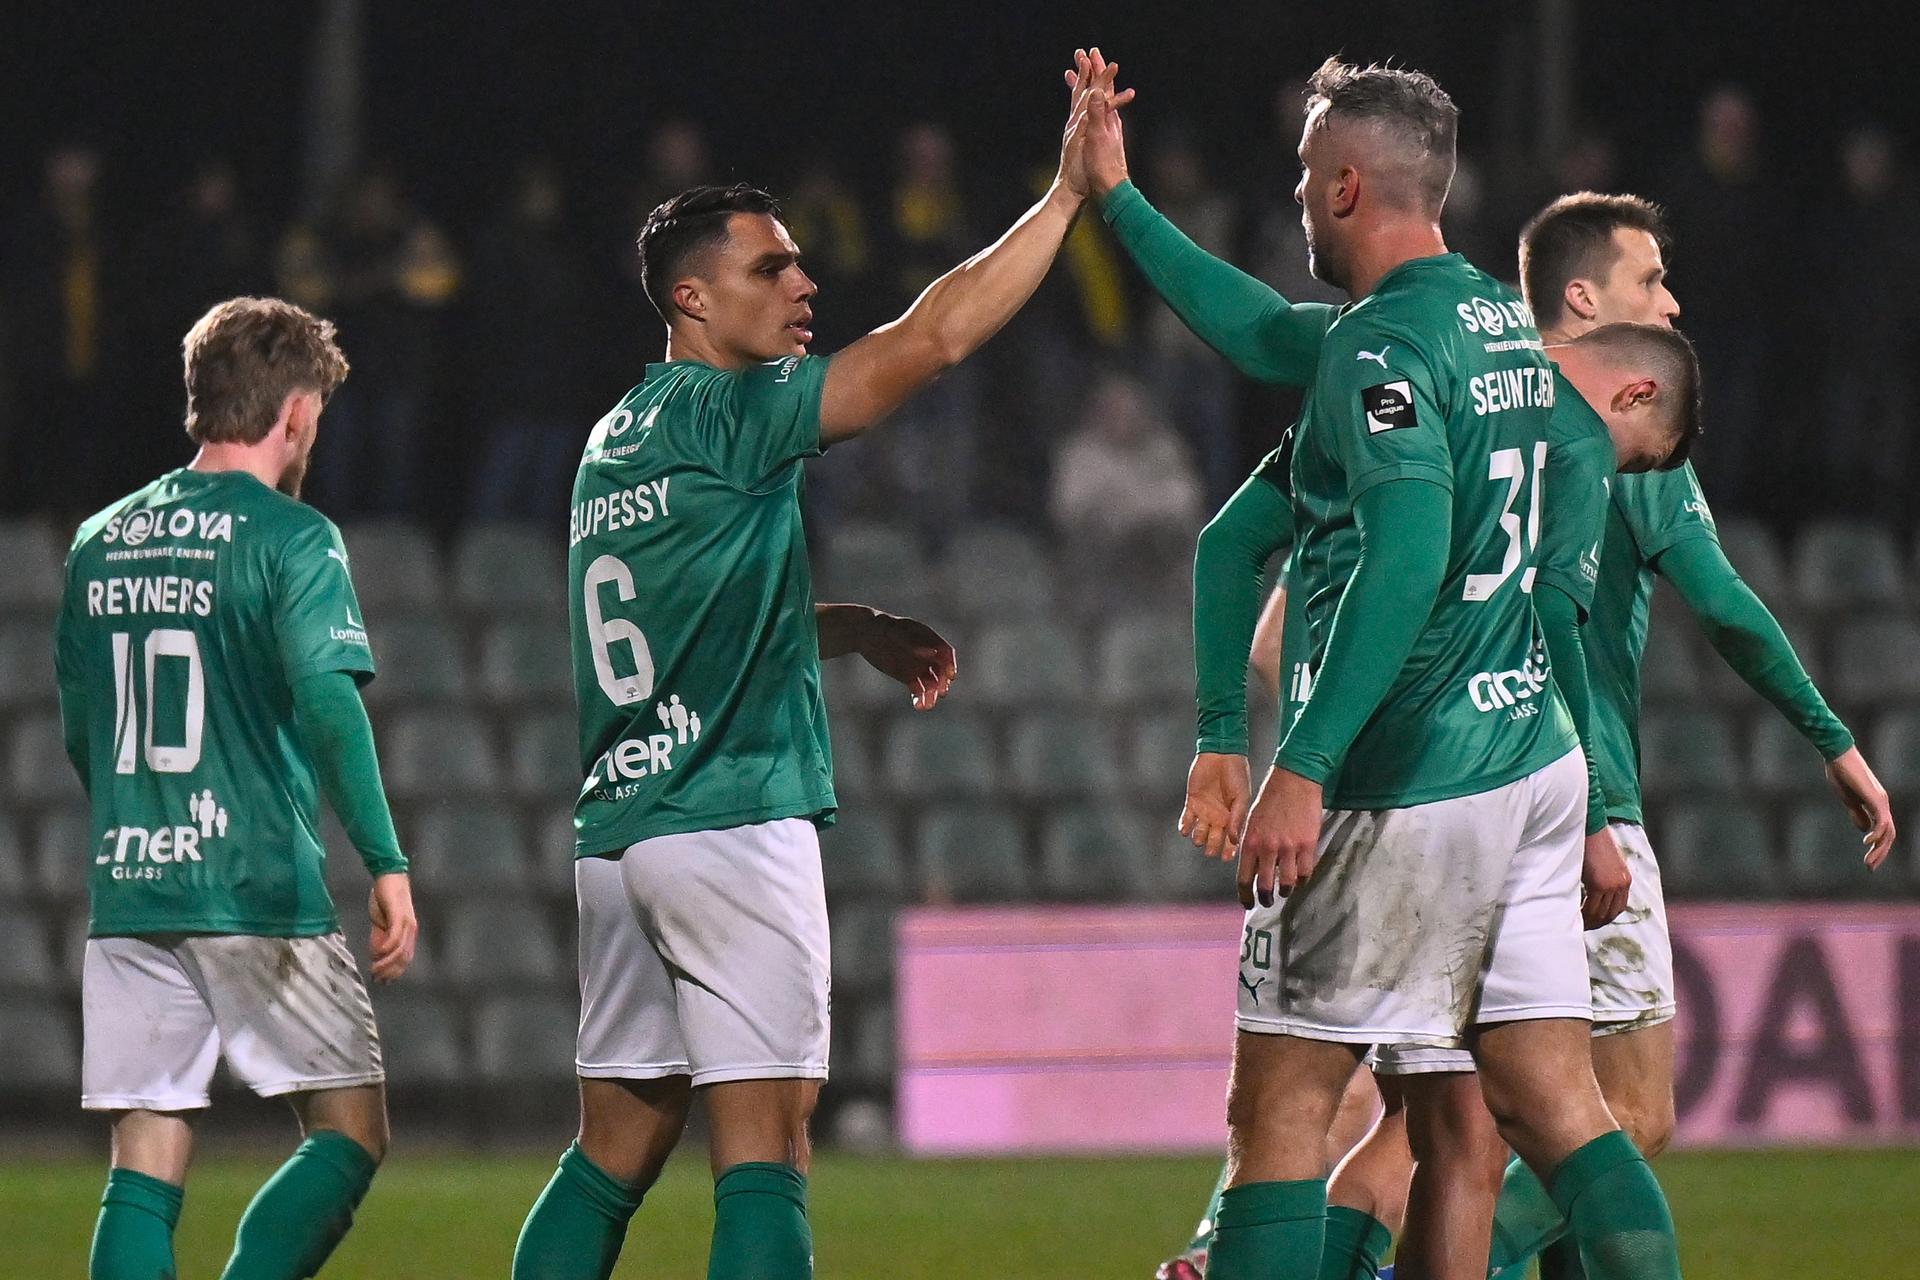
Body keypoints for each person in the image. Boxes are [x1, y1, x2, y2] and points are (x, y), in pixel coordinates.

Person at [508, 51, 1130, 1280]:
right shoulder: (735, 415)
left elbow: (693, 611)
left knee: (610, 1155)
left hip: (620, 833)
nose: (804, 280)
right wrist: (1064, 199)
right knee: (770, 1152)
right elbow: (936, 337)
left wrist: (843, 624)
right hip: (732, 816)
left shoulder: (612, 439)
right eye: (769, 266)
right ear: (691, 300)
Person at [1075, 51, 1685, 1278]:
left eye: (1307, 175)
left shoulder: (1376, 354)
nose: (1296, 197)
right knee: (1548, 1108)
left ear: (1348, 186)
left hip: (1406, 772)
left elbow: (1406, 550)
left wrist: (1297, 763)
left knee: (1281, 1116)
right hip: (1527, 762)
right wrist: (1119, 199)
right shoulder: (1497, 328)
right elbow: (1257, 334)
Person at [55, 296, 419, 1280]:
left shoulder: (101, 538)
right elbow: (330, 710)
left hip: (135, 880)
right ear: (295, 413)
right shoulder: (293, 537)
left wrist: (140, 822)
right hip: (253, 875)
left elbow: (84, 726)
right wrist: (385, 859)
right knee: (350, 1128)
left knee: (145, 1156)